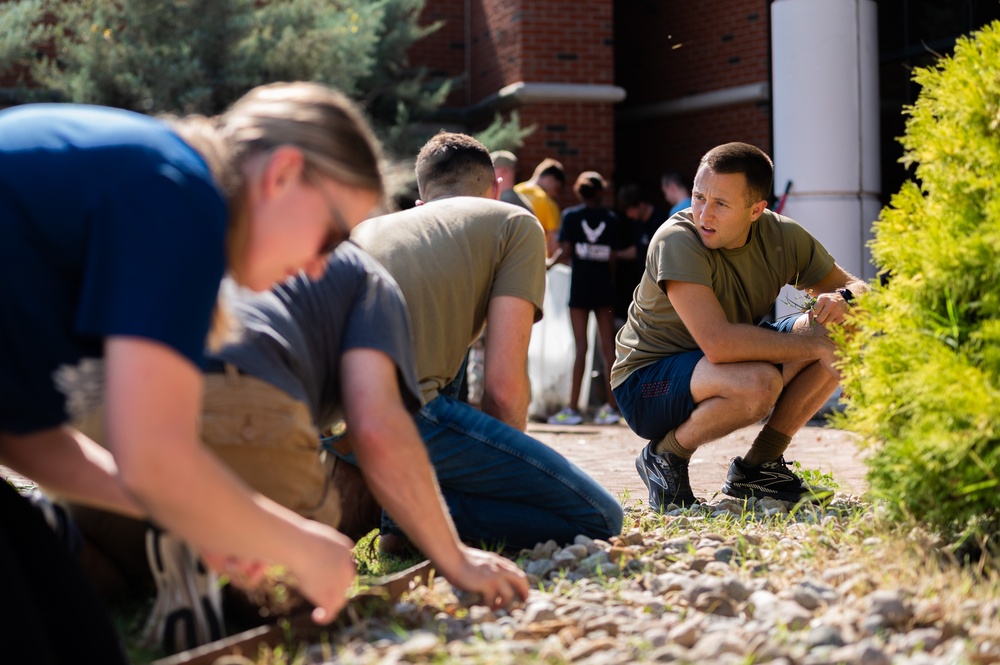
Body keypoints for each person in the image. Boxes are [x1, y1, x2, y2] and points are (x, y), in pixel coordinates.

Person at [0, 82, 386, 662]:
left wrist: (206, 521)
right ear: (282, 173)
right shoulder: (179, 190)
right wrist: (301, 545)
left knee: (75, 632)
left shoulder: (168, 190)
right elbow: (155, 457)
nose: (318, 268)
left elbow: (28, 443)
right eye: (331, 236)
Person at [72, 243, 529, 644]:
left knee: (117, 565)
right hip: (237, 402)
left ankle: (82, 547)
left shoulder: (194, 236)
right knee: (303, 595)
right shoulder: (365, 274)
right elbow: (377, 430)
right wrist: (455, 557)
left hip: (107, 412)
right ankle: (222, 583)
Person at [348, 132, 623, 551]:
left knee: (447, 342)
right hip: (403, 419)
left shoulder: (368, 228)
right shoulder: (513, 222)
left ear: (421, 200)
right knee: (600, 516)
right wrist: (506, 473)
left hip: (335, 426)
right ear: (497, 187)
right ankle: (406, 517)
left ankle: (399, 517)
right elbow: (503, 390)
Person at [612, 142, 867, 511]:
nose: (703, 213)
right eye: (698, 197)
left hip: (717, 366)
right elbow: (719, 344)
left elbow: (859, 289)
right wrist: (817, 347)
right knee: (758, 384)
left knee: (839, 327)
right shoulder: (676, 240)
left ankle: (759, 467)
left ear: (756, 210)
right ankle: (665, 456)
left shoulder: (782, 236)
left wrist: (846, 297)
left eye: (720, 204)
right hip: (646, 382)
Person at [547, 171, 629, 427]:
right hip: (604, 289)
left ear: (579, 192)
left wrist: (548, 264)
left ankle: (573, 409)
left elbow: (566, 251)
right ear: (601, 191)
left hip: (580, 289)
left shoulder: (571, 216)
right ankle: (611, 408)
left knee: (580, 348)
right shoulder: (612, 218)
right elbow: (613, 256)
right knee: (608, 349)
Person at [614, 184, 670, 322]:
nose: (629, 215)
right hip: (642, 284)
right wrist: (616, 255)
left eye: (630, 210)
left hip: (659, 287)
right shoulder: (637, 224)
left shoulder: (661, 222)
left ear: (641, 205)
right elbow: (638, 250)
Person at [515, 157, 567, 258]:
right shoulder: (547, 202)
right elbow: (554, 241)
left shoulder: (515, 191)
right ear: (550, 179)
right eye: (557, 188)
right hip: (536, 259)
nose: (556, 194)